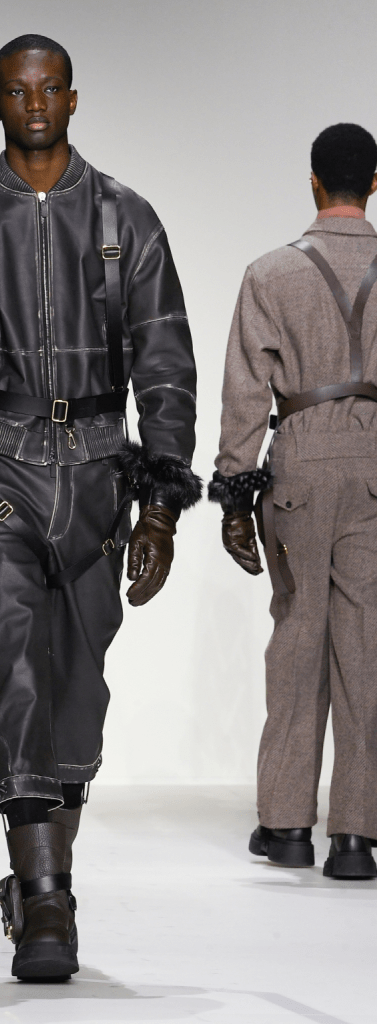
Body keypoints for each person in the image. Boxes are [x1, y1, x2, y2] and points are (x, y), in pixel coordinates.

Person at [0, 35, 199, 977]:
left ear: (72, 97)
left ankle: (39, 876)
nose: (34, 102)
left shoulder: (126, 217)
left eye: (49, 87)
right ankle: (47, 903)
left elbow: (164, 361)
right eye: (17, 90)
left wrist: (160, 507)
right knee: (17, 667)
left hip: (102, 474)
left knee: (80, 691)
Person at [210, 123, 377, 881]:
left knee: (298, 633)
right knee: (366, 643)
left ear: (313, 182)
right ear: (373, 183)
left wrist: (233, 492)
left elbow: (245, 392)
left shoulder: (269, 273)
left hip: (302, 460)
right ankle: (356, 837)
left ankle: (285, 827)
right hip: (375, 464)